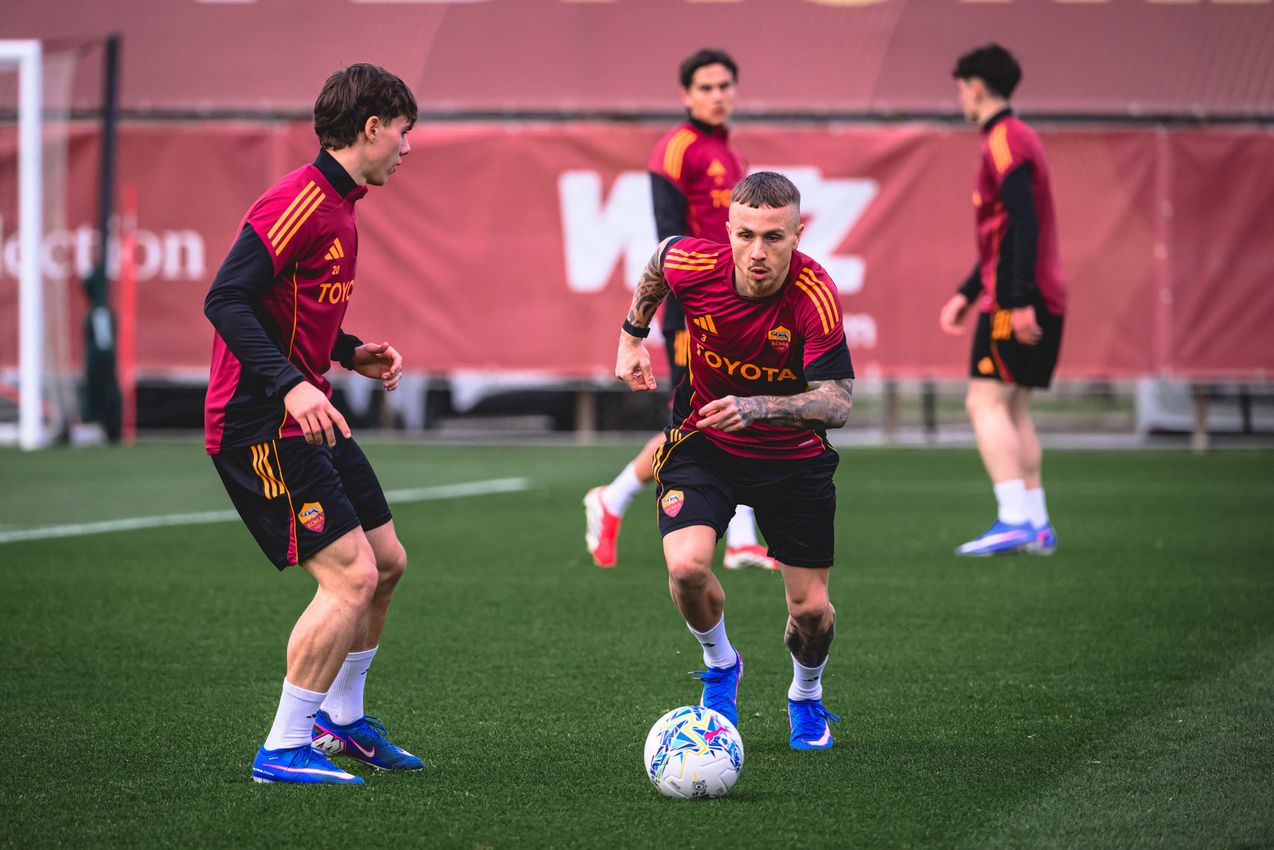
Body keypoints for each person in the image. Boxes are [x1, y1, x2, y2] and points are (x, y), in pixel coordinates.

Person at [203, 64, 422, 784]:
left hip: (307, 409)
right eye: (402, 131)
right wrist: (293, 385)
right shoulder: (297, 200)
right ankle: (282, 747)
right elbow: (228, 299)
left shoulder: (342, 207)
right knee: (350, 577)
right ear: (370, 128)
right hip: (258, 422)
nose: (406, 147)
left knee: (388, 563)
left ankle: (341, 723)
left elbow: (284, 313)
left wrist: (349, 353)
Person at [615, 171, 855, 750]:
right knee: (686, 568)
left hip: (792, 459)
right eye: (745, 235)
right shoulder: (695, 263)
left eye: (774, 237)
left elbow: (838, 402)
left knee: (812, 613)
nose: (758, 252)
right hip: (705, 443)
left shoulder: (814, 294)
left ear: (798, 234)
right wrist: (630, 336)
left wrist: (756, 405)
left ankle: (806, 694)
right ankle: (721, 665)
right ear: (728, 231)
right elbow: (659, 263)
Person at [584, 48, 775, 571]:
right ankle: (615, 497)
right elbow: (668, 241)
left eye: (725, 86)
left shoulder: (729, 153)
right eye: (708, 87)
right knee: (701, 421)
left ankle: (737, 541)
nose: (719, 96)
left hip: (738, 307)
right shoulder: (677, 149)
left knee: (733, 411)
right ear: (686, 95)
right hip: (698, 309)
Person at [939, 44, 1067, 557]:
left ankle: (1013, 517)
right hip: (1034, 291)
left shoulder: (1003, 139)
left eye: (961, 86)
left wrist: (1014, 301)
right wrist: (968, 292)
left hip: (1018, 296)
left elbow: (1021, 223)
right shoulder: (1021, 137)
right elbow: (1006, 233)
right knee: (1012, 409)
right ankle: (1036, 523)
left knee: (983, 401)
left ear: (974, 85)